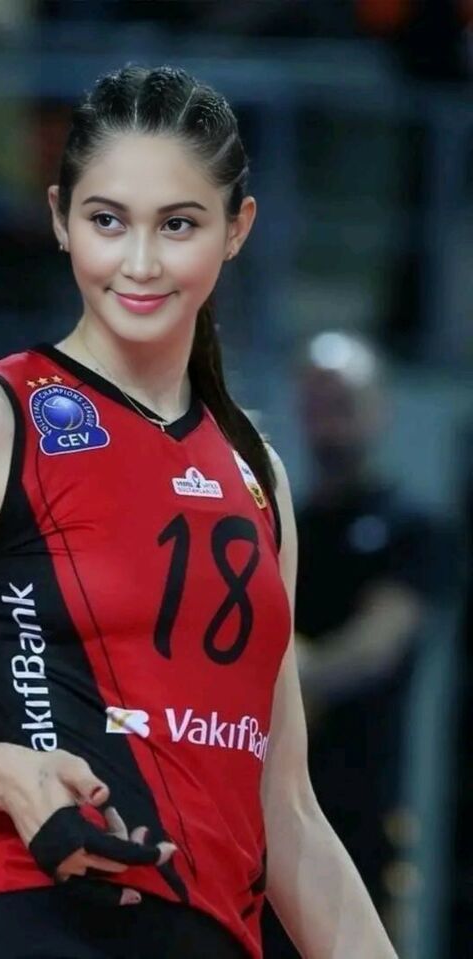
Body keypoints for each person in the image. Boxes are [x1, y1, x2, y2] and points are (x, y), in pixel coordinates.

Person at [0, 65, 398, 959]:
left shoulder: (257, 473)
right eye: (107, 220)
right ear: (61, 218)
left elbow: (286, 811)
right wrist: (3, 771)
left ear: (237, 228)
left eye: (178, 224)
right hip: (30, 923)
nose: (139, 262)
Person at [262, 330, 458, 957]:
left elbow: (376, 646)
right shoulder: (278, 525)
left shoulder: (411, 528)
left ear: (379, 409)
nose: (329, 421)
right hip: (266, 807)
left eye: (343, 403)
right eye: (316, 403)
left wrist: (287, 679)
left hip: (361, 807)